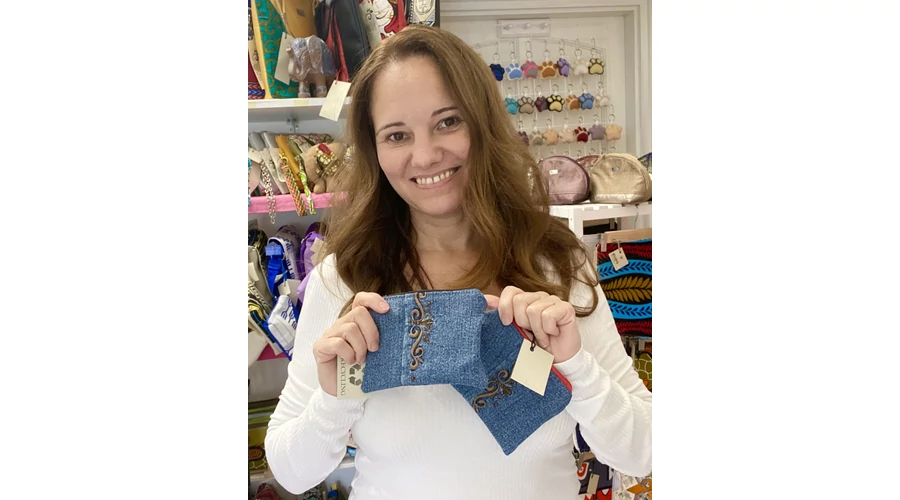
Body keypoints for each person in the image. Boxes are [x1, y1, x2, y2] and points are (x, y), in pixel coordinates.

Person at [265, 25, 651, 499]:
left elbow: (642, 452)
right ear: (374, 149)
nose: (426, 155)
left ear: (483, 122)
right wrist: (336, 395)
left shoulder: (555, 261)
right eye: (397, 135)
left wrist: (576, 366)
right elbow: (292, 473)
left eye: (448, 122)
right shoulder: (344, 277)